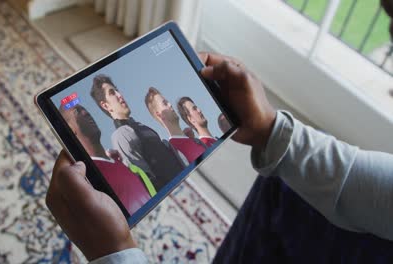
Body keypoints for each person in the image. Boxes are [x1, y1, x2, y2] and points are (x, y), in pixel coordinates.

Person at [47, 50, 393, 263]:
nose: (120, 95)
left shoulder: (143, 132)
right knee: (281, 186)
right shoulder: (126, 135)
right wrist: (272, 131)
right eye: (111, 94)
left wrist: (115, 255)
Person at [90, 74, 185, 191]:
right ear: (106, 105)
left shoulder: (143, 127)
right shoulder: (121, 135)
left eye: (117, 90)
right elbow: (146, 182)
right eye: (112, 93)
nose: (120, 95)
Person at [58, 103, 152, 215]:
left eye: (85, 109)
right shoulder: (90, 177)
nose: (86, 113)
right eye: (77, 112)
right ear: (70, 129)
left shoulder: (118, 161)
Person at [144, 87, 207, 163]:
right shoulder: (173, 153)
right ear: (159, 114)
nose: (170, 104)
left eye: (168, 102)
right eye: (165, 103)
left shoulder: (196, 141)